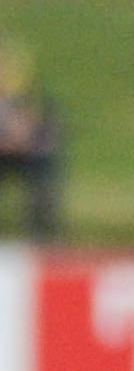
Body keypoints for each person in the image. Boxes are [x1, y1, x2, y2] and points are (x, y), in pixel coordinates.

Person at [0, 37, 61, 240]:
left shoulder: (20, 88)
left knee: (43, 169)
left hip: (24, 152)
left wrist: (19, 140)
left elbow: (29, 124)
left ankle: (41, 235)